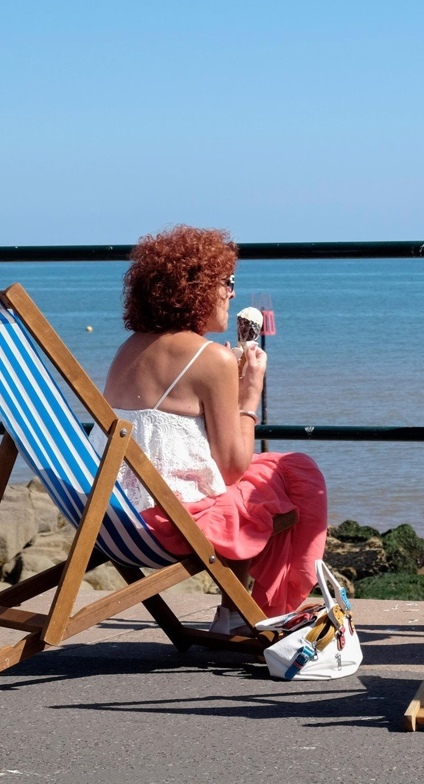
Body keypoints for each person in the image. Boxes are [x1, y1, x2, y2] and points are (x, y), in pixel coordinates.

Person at [97, 225, 328, 635]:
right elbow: (233, 469)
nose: (233, 293)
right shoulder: (210, 359)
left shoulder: (129, 348)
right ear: (198, 288)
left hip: (110, 517)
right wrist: (249, 393)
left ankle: (237, 610)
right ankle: (244, 609)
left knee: (274, 470)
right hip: (167, 524)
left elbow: (172, 443)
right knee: (288, 474)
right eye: (227, 283)